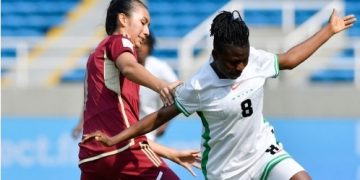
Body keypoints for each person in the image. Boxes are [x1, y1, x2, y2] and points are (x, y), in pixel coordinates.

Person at [82, 9, 356, 180]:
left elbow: (290, 59)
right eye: (232, 62)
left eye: (243, 60)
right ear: (214, 55)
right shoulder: (199, 86)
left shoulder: (255, 60)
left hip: (262, 152)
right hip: (225, 171)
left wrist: (329, 31)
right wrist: (116, 138)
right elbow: (157, 117)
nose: (239, 67)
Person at [78, 0, 200, 179]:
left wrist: (170, 153)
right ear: (123, 19)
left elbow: (125, 129)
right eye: (143, 23)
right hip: (121, 151)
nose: (147, 32)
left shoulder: (95, 57)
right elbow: (129, 67)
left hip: (91, 157)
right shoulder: (119, 41)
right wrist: (162, 86)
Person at [137, 32, 178, 141]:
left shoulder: (159, 67)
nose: (140, 47)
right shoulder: (121, 67)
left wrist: (166, 121)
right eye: (139, 43)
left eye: (144, 44)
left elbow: (178, 90)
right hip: (122, 130)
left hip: (147, 132)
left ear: (150, 46)